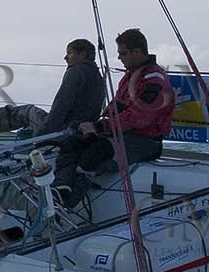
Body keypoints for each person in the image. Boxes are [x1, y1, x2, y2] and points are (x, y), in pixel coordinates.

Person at [57, 28, 175, 205]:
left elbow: (140, 117)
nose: (119, 58)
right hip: (122, 134)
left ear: (137, 52)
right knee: (72, 143)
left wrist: (101, 127)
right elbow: (116, 106)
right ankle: (60, 190)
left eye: (123, 53)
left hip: (145, 141)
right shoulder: (129, 77)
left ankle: (69, 205)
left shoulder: (154, 79)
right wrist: (94, 124)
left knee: (95, 154)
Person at [0, 39, 103, 138]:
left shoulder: (76, 72)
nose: (65, 57)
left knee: (27, 111)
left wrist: (44, 134)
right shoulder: (98, 77)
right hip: (82, 127)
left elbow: (62, 103)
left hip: (65, 128)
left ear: (83, 54)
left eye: (70, 53)